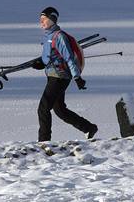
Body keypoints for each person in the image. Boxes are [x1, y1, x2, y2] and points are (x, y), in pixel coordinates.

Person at [32, 7, 98, 142]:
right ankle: (88, 128)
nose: (41, 23)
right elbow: (51, 56)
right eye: (40, 20)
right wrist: (41, 63)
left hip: (59, 77)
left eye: (44, 19)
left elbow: (68, 58)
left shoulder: (59, 37)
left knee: (43, 109)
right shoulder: (49, 37)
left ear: (52, 20)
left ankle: (44, 142)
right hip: (53, 75)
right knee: (60, 110)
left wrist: (77, 77)